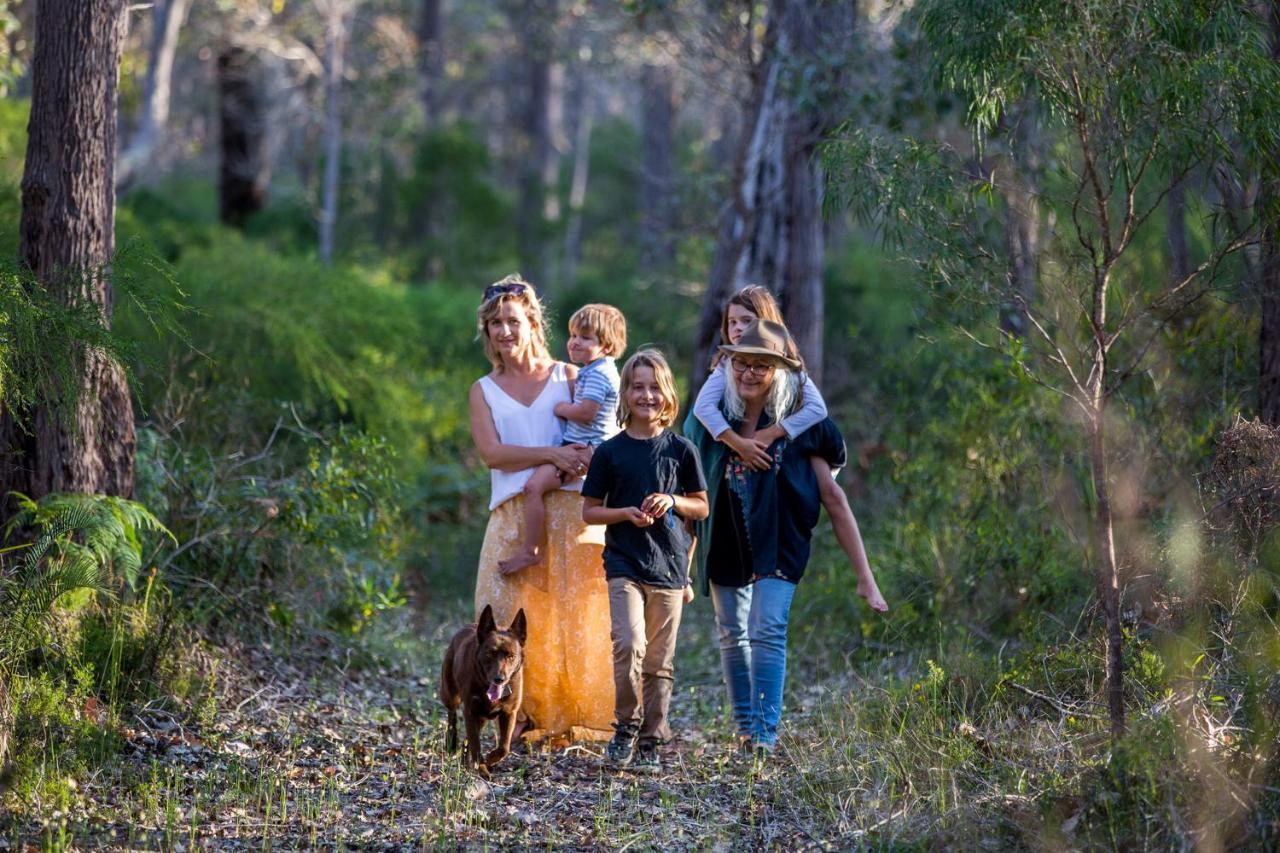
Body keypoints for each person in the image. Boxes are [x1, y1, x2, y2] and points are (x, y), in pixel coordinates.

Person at [684, 318, 880, 755]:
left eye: (761, 366)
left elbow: (833, 495)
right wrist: (685, 560)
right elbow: (692, 489)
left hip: (779, 538)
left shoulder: (799, 422)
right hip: (729, 538)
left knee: (766, 628)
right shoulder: (720, 421)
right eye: (742, 364)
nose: (749, 373)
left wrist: (864, 574)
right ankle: (746, 728)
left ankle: (766, 737)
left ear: (778, 371)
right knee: (731, 633)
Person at [468, 274, 614, 741]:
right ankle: (518, 716)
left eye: (512, 320)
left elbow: (600, 435)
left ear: (532, 322)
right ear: (486, 332)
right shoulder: (483, 390)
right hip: (513, 514)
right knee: (504, 613)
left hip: (571, 512)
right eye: (494, 324)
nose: (504, 331)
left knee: (572, 618)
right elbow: (493, 453)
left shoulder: (569, 377)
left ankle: (574, 720)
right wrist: (551, 454)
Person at [693, 286, 887, 612]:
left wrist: (774, 432)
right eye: (732, 323)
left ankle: (865, 576)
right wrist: (737, 442)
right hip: (731, 447)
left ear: (767, 325)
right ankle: (690, 566)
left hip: (790, 439)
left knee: (832, 493)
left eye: (747, 321)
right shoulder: (727, 365)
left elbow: (817, 409)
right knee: (705, 487)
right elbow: (702, 409)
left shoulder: (791, 370)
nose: (739, 329)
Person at [581, 350, 708, 773]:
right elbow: (589, 511)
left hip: (670, 567)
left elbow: (702, 508)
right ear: (626, 392)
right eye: (638, 386)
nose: (646, 395)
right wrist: (625, 513)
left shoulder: (682, 450)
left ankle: (652, 740)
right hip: (624, 563)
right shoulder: (610, 453)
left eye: (655, 387)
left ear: (667, 394)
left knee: (659, 662)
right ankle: (625, 727)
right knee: (629, 644)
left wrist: (671, 499)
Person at [499, 303, 626, 575]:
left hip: (587, 449)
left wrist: (562, 409)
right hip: (586, 447)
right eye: (573, 336)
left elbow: (587, 412)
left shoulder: (600, 374)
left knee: (533, 488)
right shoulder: (594, 370)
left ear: (606, 345)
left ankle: (530, 551)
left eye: (585, 337)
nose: (574, 343)